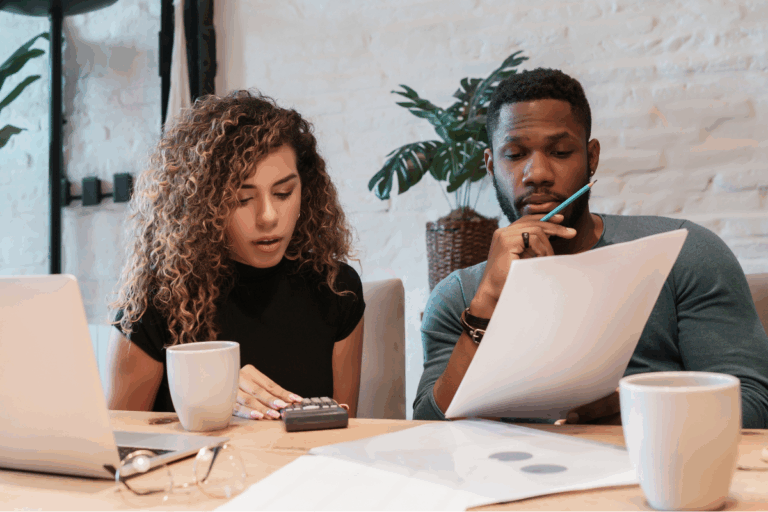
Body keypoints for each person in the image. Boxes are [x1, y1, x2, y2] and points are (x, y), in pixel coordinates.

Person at [413, 68, 768, 428]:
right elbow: (428, 429)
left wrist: (639, 415)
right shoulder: (458, 297)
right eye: (515, 154)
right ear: (491, 165)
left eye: (560, 151)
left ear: (591, 157)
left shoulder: (685, 253)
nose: (537, 173)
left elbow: (754, 404)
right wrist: (488, 299)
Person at [107, 90, 365, 420]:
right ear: (202, 206)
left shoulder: (335, 287)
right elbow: (119, 442)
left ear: (307, 188)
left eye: (284, 193)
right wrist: (209, 396)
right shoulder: (157, 299)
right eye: (243, 199)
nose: (269, 216)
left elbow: (344, 430)